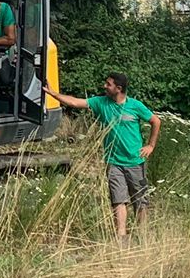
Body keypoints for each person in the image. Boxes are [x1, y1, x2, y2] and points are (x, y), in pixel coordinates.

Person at [53, 72, 160, 243]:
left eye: (108, 84)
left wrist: (151, 145)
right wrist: (53, 94)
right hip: (113, 161)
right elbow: (74, 102)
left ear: (118, 89)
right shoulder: (100, 103)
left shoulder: (135, 106)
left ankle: (143, 235)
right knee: (118, 200)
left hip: (135, 161)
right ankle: (121, 238)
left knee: (140, 201)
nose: (105, 86)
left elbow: (156, 121)